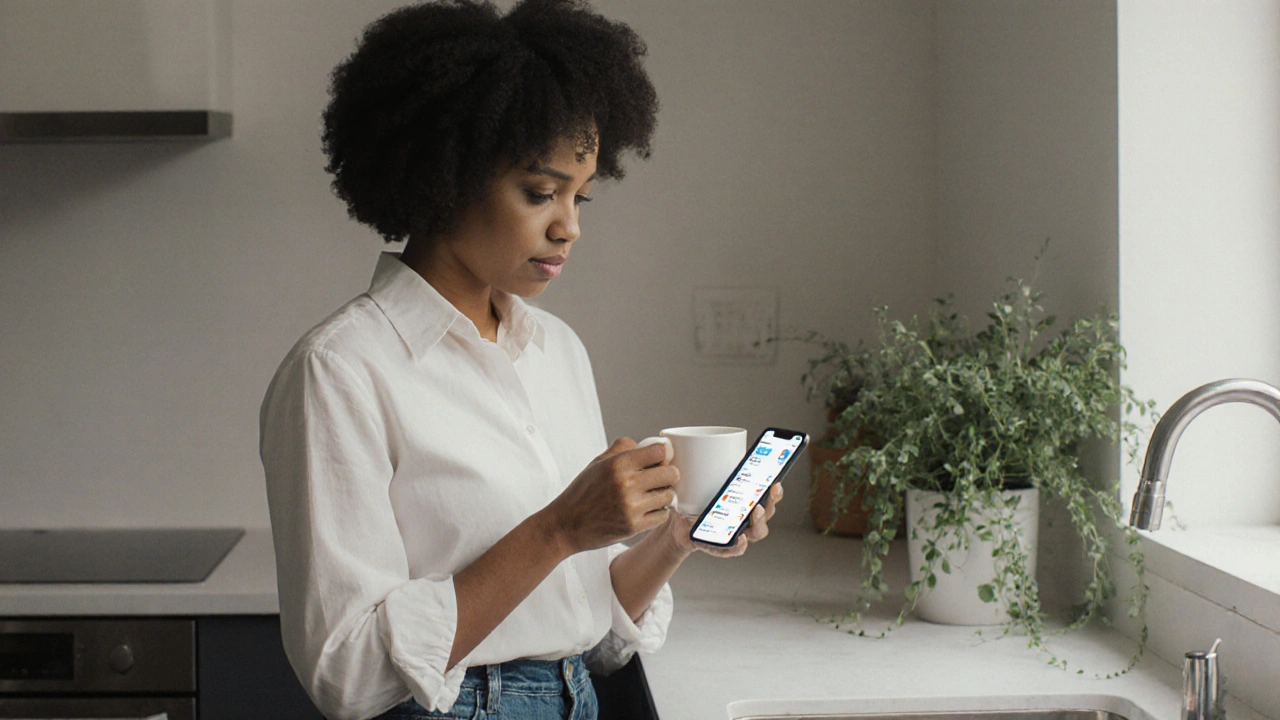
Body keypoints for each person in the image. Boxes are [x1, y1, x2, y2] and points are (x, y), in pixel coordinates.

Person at [259, 2, 783, 719]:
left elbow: (587, 636)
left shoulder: (556, 352)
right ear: (443, 174)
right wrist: (560, 527)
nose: (569, 226)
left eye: (581, 195)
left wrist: (675, 539)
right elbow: (346, 676)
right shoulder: (341, 371)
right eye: (541, 193)